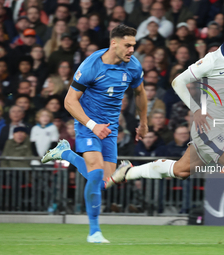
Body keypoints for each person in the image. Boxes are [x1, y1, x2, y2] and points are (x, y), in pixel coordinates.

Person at [111, 23, 224, 244]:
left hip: (221, 128)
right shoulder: (213, 60)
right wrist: (196, 110)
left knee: (180, 170)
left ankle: (128, 172)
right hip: (207, 128)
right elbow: (178, 81)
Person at [41, 24, 147, 243]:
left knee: (103, 182)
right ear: (114, 43)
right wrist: (91, 125)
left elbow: (140, 92)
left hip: (109, 129)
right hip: (87, 125)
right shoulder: (91, 66)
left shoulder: (133, 66)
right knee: (97, 172)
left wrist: (143, 122)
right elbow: (69, 101)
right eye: (127, 45)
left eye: (133, 46)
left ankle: (66, 154)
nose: (131, 50)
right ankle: (94, 232)